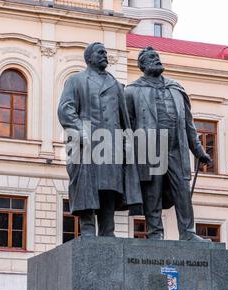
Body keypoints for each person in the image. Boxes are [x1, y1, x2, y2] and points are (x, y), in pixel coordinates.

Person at [125, 46, 212, 242]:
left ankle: (188, 232)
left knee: (182, 191)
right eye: (151, 58)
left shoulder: (176, 89)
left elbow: (188, 125)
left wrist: (199, 151)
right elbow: (126, 128)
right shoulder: (131, 91)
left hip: (176, 149)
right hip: (149, 150)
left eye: (157, 57)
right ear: (142, 65)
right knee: (152, 193)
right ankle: (156, 233)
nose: (156, 60)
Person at [58, 42, 142, 237]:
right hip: (86, 143)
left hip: (112, 143)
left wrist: (128, 141)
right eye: (100, 52)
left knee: (109, 188)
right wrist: (80, 129)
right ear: (89, 58)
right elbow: (66, 108)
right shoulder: (76, 80)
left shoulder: (115, 84)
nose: (105, 55)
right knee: (87, 186)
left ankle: (108, 231)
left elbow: (124, 118)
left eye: (106, 52)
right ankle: (87, 230)